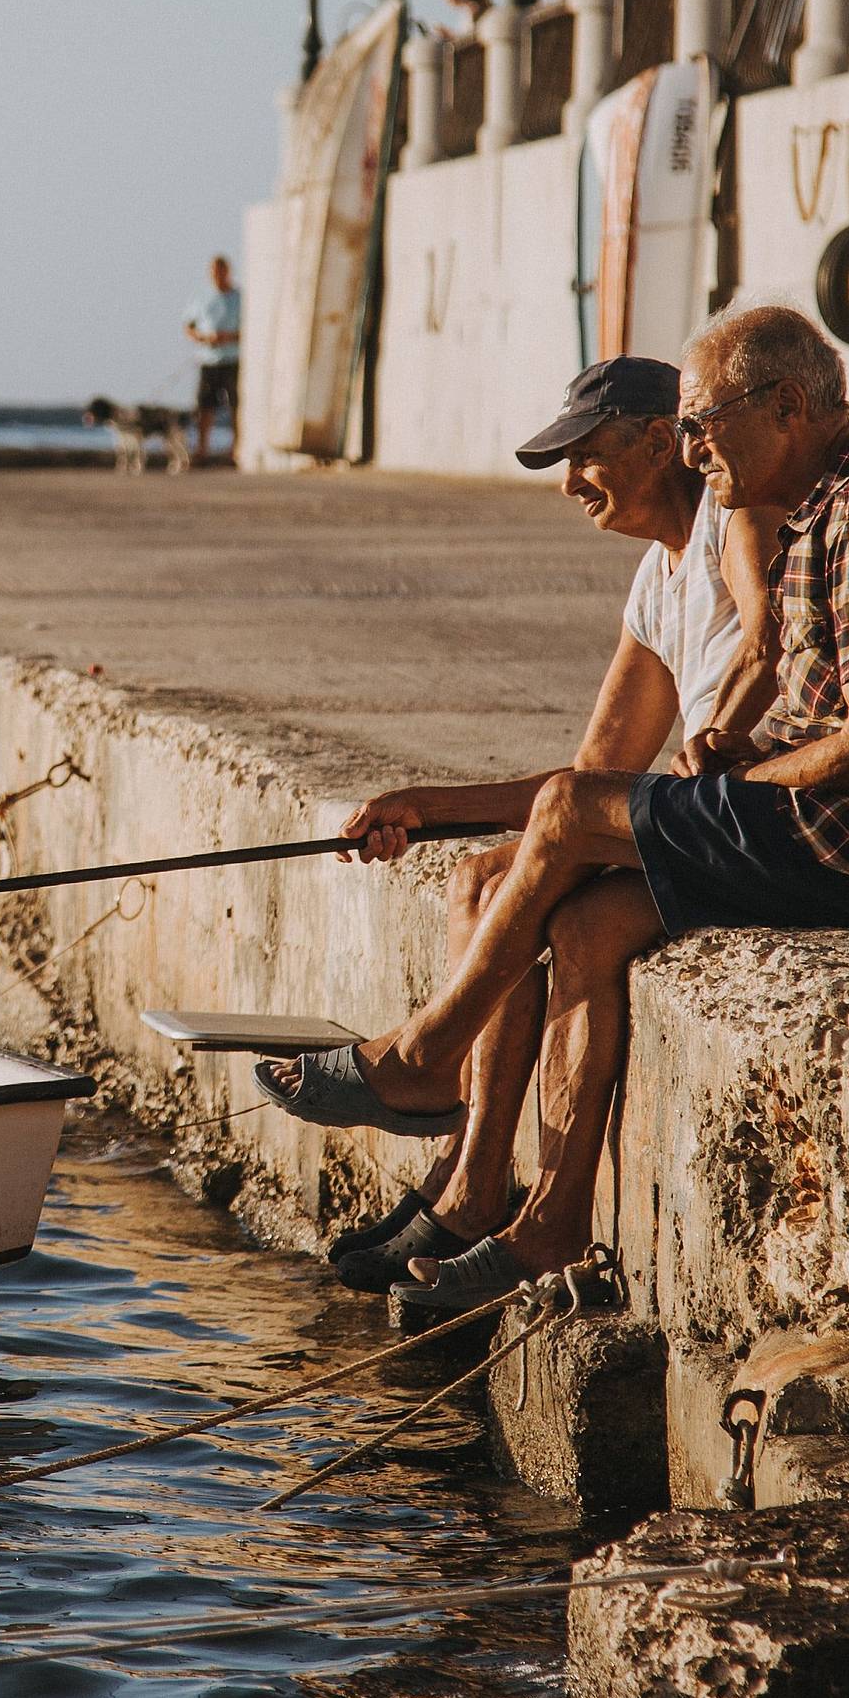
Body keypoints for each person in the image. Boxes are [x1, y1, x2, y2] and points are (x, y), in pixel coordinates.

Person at [258, 306, 849, 1317]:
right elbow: (779, 720)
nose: (693, 442)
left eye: (704, 423)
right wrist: (735, 754)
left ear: (788, 408)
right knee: (586, 915)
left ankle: (421, 1058)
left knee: (575, 822)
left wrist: (729, 781)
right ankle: (543, 1217)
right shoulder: (824, 512)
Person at [243, 355, 775, 1308]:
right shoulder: (658, 579)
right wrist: (436, 805)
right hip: (695, 814)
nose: (570, 484)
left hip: (755, 811)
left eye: (586, 456)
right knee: (483, 879)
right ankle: (472, 1187)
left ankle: (422, 1065)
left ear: (661, 443)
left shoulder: (735, 532)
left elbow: (625, 773)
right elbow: (595, 774)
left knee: (574, 919)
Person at [183, 256, 242, 467]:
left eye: (221, 271)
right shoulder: (201, 297)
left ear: (228, 272)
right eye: (214, 272)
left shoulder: (240, 297)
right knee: (205, 406)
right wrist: (203, 338)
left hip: (233, 359)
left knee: (236, 405)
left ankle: (236, 448)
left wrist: (229, 337)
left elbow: (252, 328)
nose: (217, 275)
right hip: (208, 360)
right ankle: (202, 449)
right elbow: (188, 327)